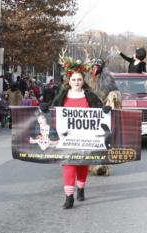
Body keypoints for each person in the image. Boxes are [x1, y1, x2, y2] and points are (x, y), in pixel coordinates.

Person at [52, 67, 103, 209]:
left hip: (85, 138)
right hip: (67, 138)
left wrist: (104, 109)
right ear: (69, 81)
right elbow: (53, 110)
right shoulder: (62, 95)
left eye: (79, 79)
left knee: (82, 163)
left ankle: (80, 188)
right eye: (73, 79)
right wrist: (45, 108)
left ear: (83, 81)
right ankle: (69, 197)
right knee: (68, 163)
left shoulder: (90, 95)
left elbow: (100, 110)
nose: (76, 82)